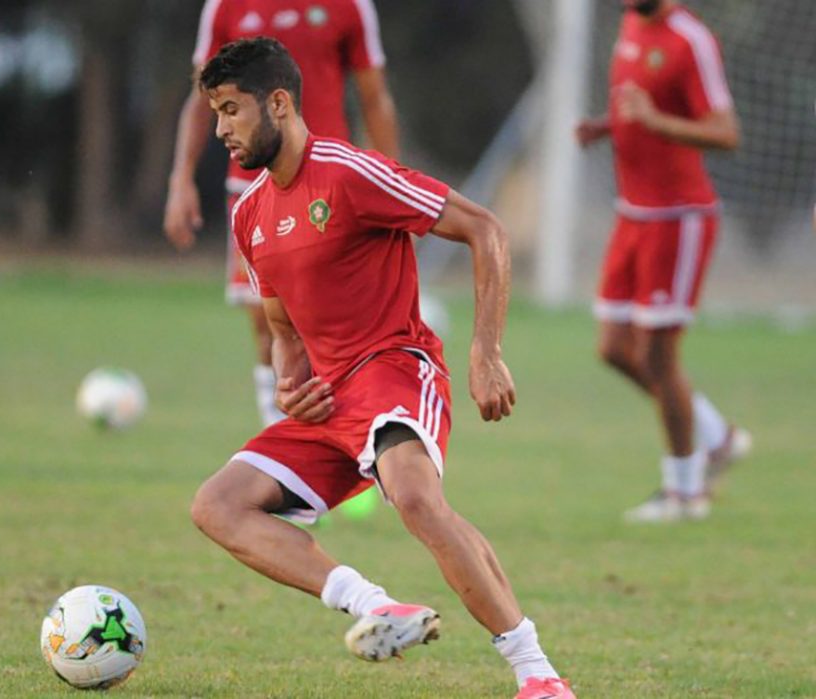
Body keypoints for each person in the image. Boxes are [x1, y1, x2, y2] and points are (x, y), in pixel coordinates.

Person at [189, 38, 575, 699]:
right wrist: (291, 382)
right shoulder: (250, 213)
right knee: (217, 505)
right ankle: (373, 604)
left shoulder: (349, 173)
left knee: (417, 499)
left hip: (395, 368)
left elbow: (486, 230)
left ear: (279, 103)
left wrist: (485, 350)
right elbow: (283, 330)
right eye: (216, 113)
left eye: (231, 109)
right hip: (329, 406)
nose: (220, 129)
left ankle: (537, 673)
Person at [164, 0, 400, 428]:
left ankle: (354, 437)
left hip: (330, 187)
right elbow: (201, 99)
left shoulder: (351, 6)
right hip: (250, 185)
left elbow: (374, 97)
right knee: (267, 321)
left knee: (330, 322)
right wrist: (181, 179)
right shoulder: (224, 7)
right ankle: (284, 446)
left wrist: (390, 186)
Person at [576, 0, 751, 523]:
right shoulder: (632, 22)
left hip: (680, 217)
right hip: (633, 212)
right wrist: (609, 127)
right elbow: (643, 109)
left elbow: (726, 133)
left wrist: (653, 120)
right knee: (613, 347)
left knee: (658, 357)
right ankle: (718, 436)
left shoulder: (690, 40)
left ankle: (686, 493)